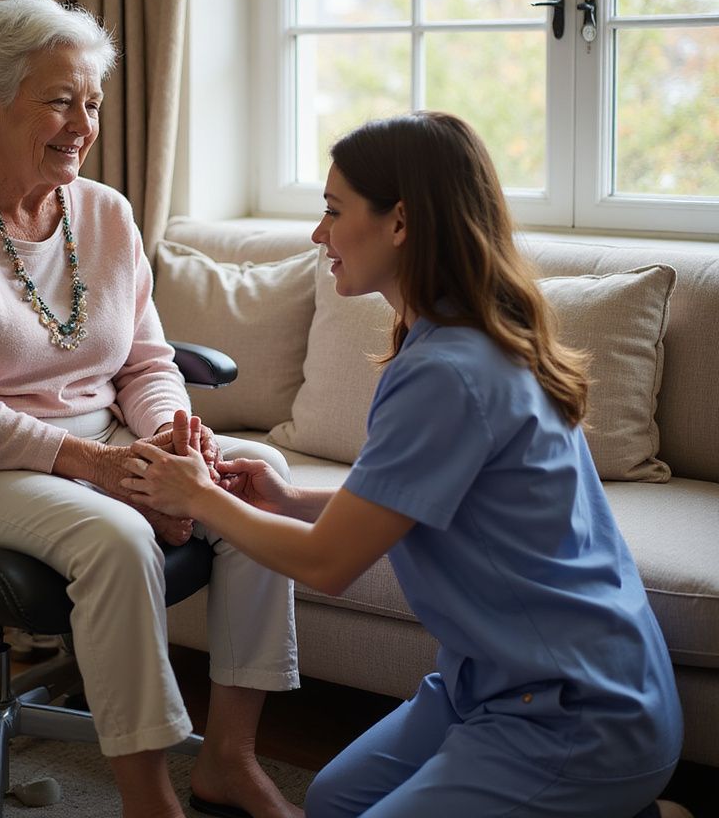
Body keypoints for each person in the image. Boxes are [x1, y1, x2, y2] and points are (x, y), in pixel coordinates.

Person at [122, 112, 691, 818]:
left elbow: (330, 565)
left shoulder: (451, 371)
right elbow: (407, 503)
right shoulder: (446, 337)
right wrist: (286, 496)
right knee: (332, 802)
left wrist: (201, 496)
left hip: (576, 713)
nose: (317, 235)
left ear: (401, 222)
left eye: (333, 211)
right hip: (490, 683)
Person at [0, 0, 301, 818]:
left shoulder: (106, 214)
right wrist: (101, 466)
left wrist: (173, 438)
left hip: (101, 441)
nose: (84, 125)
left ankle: (229, 757)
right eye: (59, 102)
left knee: (251, 469)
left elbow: (147, 359)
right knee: (118, 532)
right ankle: (147, 796)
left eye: (91, 102)